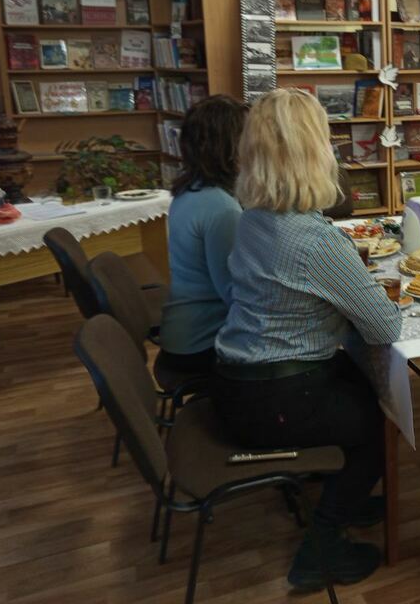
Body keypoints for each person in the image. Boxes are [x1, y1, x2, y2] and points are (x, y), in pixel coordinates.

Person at [211, 89, 401, 592]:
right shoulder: (314, 240)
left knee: (358, 385)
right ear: (313, 152)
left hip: (234, 380)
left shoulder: (252, 217)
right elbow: (385, 327)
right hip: (272, 398)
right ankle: (321, 547)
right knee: (380, 425)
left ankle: (346, 498)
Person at [157, 95, 246, 373]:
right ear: (230, 146)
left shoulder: (191, 189)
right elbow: (235, 295)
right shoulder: (222, 209)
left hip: (182, 331)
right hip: (201, 343)